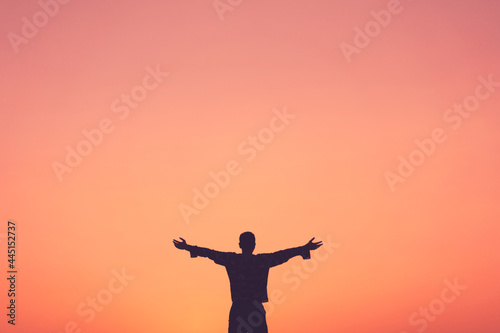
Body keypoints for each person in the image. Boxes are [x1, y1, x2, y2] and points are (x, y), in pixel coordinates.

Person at [173, 232, 323, 333]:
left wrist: (187, 247)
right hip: (255, 309)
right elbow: (284, 255)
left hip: (238, 309)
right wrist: (304, 249)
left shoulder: (232, 260)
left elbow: (210, 253)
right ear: (254, 245)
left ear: (239, 245)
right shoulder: (262, 261)